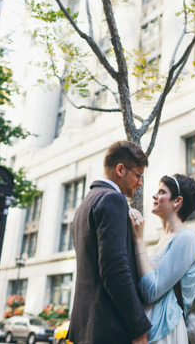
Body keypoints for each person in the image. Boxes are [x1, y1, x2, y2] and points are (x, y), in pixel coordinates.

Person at [67, 141, 152, 344]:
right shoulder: (112, 199)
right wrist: (138, 327)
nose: (140, 183)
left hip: (86, 328)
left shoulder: (86, 204)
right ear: (120, 170)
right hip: (109, 330)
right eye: (138, 175)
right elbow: (115, 269)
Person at [128, 174, 195, 343]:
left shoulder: (186, 238)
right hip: (149, 326)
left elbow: (151, 291)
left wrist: (139, 240)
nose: (155, 196)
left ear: (177, 201)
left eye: (162, 192)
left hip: (165, 332)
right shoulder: (163, 240)